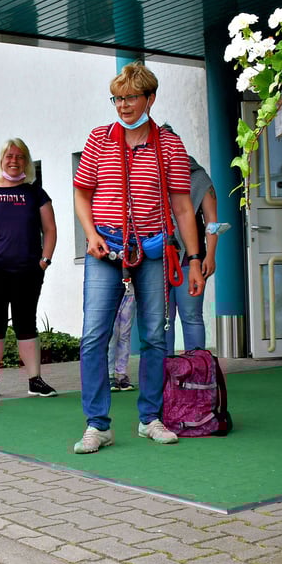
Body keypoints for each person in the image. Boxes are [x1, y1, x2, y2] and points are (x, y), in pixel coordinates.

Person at [72, 62, 205, 454]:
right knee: (94, 335)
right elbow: (81, 193)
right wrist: (91, 235)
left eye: (131, 97)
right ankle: (98, 424)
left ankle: (150, 418)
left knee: (155, 336)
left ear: (150, 98)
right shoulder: (99, 139)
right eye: (117, 98)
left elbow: (183, 208)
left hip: (153, 250)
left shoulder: (170, 145)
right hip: (105, 249)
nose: (123, 105)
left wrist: (194, 258)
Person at [0, 138, 58, 399]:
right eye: (9, 156)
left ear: (26, 161)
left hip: (27, 270)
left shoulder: (35, 193)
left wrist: (44, 261)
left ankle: (35, 380)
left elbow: (50, 229)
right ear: (1, 160)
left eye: (20, 156)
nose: (14, 160)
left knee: (26, 323)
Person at [161, 126, 220, 354]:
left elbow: (211, 222)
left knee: (191, 316)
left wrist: (211, 255)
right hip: (157, 258)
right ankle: (164, 377)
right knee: (161, 320)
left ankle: (197, 374)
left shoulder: (199, 177)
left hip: (190, 260)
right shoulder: (148, 178)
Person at [107, 288, 136, 391]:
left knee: (124, 335)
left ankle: (122, 374)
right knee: (112, 336)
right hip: (111, 292)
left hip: (129, 292)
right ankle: (110, 375)